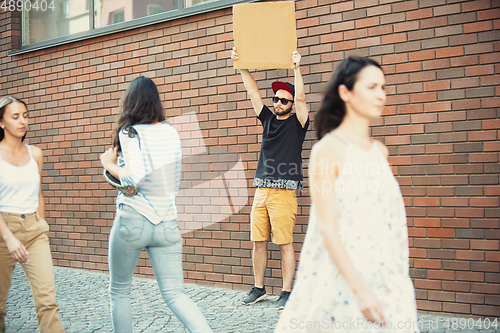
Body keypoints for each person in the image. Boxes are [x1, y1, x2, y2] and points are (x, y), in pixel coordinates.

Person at [274, 56, 420, 332]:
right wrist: (360, 290)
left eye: (383, 88)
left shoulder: (379, 152)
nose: (380, 95)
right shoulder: (328, 151)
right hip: (344, 280)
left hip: (387, 277)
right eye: (372, 87)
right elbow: (327, 228)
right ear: (345, 92)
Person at [100, 76, 213, 333]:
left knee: (120, 291)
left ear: (131, 101)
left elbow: (133, 180)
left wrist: (109, 164)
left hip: (134, 219)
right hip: (167, 222)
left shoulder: (129, 132)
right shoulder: (171, 132)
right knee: (176, 293)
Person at [231, 48, 309, 310]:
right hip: (261, 190)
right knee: (258, 241)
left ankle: (287, 292)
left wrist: (297, 68)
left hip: (284, 194)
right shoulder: (267, 119)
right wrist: (241, 66)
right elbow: (253, 92)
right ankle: (259, 287)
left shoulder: (298, 124)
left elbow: (301, 100)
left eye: (283, 100)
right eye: (276, 99)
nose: (278, 103)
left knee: (285, 243)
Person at [0, 96, 65, 333]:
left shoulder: (35, 153)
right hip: (3, 231)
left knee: (48, 301)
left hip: (35, 232)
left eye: (25, 116)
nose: (22, 121)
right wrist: (9, 237)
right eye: (15, 116)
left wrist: (42, 224)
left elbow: (38, 194)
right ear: (1, 122)